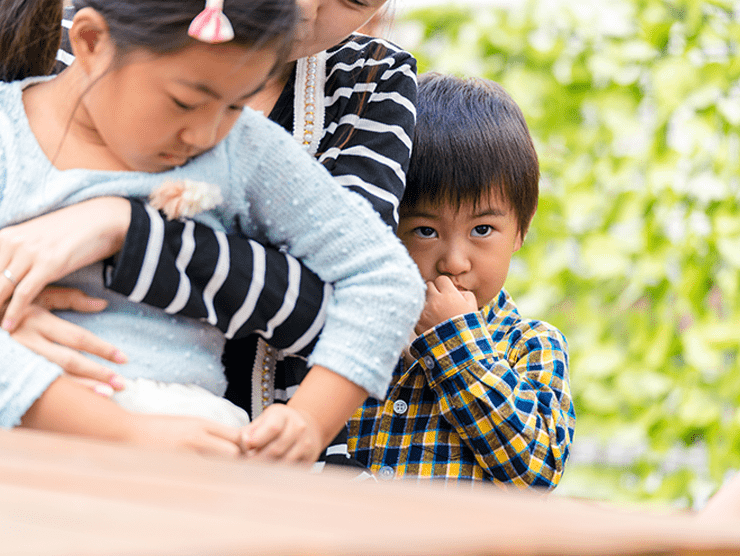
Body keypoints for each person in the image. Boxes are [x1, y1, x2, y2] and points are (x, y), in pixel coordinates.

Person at [0, 0, 424, 461]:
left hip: (191, 444)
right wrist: (122, 432)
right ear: (90, 42)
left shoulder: (242, 149)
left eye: (237, 104)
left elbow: (384, 278)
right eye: (184, 102)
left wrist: (310, 418)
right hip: (28, 440)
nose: (203, 135)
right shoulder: (9, 133)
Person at [346, 73, 575, 485]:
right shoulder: (354, 329)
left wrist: (456, 342)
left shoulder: (531, 345)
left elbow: (536, 472)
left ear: (521, 228)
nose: (453, 262)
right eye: (425, 231)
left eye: (482, 230)